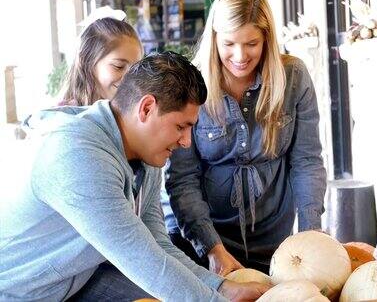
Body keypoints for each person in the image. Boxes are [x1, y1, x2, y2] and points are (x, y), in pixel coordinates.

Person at [0, 52, 269, 301]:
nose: (187, 142)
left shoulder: (145, 155)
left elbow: (157, 245)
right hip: (21, 294)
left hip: (79, 278)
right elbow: (143, 260)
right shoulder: (78, 156)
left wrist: (220, 287)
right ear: (146, 108)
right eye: (180, 126)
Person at [163, 0, 327, 276]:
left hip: (274, 245)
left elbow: (307, 163)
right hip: (202, 243)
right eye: (229, 44)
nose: (240, 56)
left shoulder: (294, 78)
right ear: (214, 39)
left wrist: (310, 235)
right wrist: (212, 250)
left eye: (251, 43)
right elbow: (182, 179)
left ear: (266, 38)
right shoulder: (191, 84)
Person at [60, 16, 143, 106]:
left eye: (136, 70)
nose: (130, 78)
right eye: (118, 66)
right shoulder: (65, 117)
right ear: (86, 62)